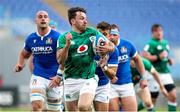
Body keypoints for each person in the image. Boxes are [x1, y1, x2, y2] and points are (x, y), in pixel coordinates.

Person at [56, 7, 114, 111]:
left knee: (83, 106)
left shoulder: (92, 32)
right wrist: (67, 46)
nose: (85, 21)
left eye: (86, 18)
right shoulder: (64, 37)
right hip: (70, 80)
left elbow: (112, 46)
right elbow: (60, 61)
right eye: (82, 18)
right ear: (73, 21)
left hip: (88, 78)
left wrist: (108, 48)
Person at [14, 10, 63, 111]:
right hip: (38, 76)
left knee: (53, 110)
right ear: (35, 20)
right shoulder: (31, 38)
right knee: (36, 106)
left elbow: (65, 60)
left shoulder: (57, 37)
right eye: (40, 17)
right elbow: (24, 54)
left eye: (45, 16)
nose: (43, 18)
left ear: (48, 20)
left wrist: (60, 76)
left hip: (55, 78)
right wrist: (20, 64)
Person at [108, 24, 147, 111]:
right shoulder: (104, 48)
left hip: (127, 85)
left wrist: (144, 78)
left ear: (119, 35)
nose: (112, 37)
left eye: (114, 34)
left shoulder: (127, 45)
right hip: (110, 85)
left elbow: (138, 59)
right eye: (110, 34)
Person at [142, 24, 177, 111]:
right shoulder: (150, 44)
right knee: (151, 101)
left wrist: (168, 60)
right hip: (154, 74)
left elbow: (164, 56)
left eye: (160, 30)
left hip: (165, 73)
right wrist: (158, 57)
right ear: (152, 33)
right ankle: (135, 107)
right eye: (156, 31)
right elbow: (144, 56)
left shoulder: (165, 43)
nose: (159, 32)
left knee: (173, 95)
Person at [93, 21, 119, 111]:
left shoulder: (114, 51)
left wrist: (104, 67)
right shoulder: (89, 46)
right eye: (99, 34)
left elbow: (112, 75)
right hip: (86, 82)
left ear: (109, 36)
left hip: (102, 86)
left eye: (105, 34)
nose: (102, 37)